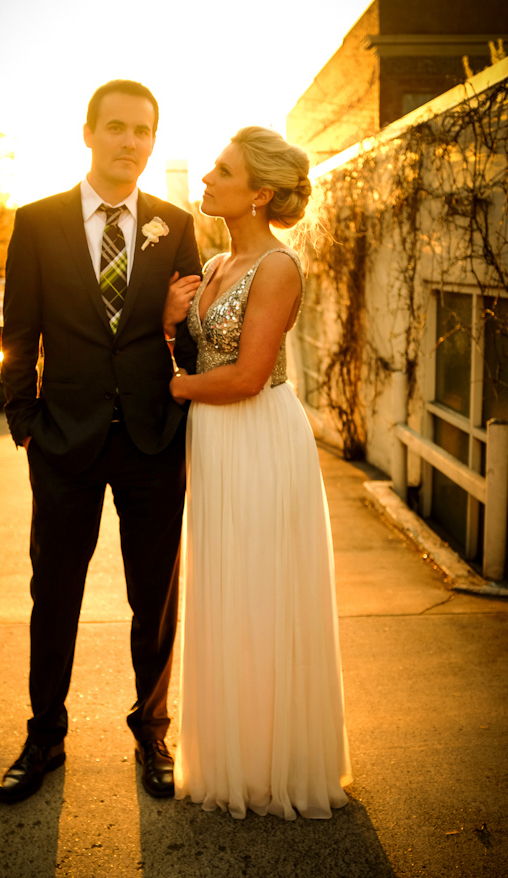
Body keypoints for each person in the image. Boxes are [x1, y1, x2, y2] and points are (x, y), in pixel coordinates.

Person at [0, 80, 202, 803]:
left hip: (152, 440)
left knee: (157, 597)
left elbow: (196, 339)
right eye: (116, 128)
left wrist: (182, 324)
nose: (130, 142)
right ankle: (44, 735)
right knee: (53, 593)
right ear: (88, 133)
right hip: (64, 443)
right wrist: (25, 425)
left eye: (143, 131)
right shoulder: (38, 221)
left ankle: (152, 731)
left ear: (154, 140)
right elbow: (18, 333)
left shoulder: (176, 225)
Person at [164, 126, 352, 820]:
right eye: (211, 168)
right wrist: (167, 322)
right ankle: (230, 758)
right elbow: (196, 353)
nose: (207, 180)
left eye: (223, 171)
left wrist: (172, 388)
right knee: (225, 592)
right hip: (214, 444)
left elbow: (244, 377)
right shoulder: (213, 266)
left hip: (260, 442)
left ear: (260, 193)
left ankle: (274, 762)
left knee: (262, 594)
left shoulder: (279, 266)